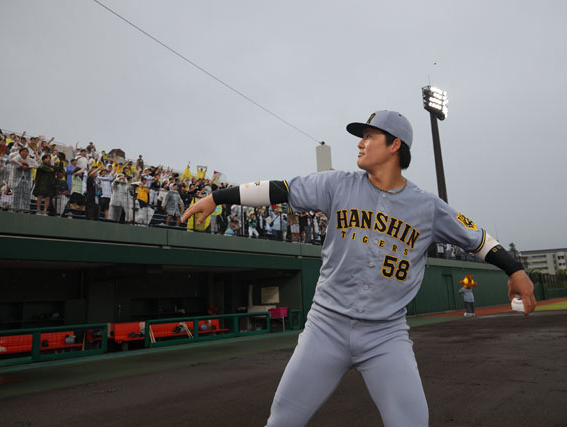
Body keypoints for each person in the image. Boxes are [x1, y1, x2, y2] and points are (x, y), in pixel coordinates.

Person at [182, 110, 537, 426]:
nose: (360, 143)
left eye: (369, 136)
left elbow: (479, 239)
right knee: (283, 420)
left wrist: (515, 270)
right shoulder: (337, 184)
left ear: (395, 145)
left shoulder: (428, 207)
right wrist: (217, 197)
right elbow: (280, 189)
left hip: (386, 335)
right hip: (326, 327)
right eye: (361, 136)